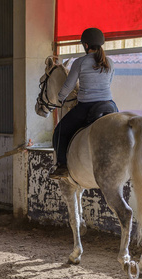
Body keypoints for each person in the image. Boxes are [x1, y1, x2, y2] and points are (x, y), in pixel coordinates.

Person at [51, 28, 118, 179]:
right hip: (110, 104)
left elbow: (69, 85)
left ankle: (62, 166)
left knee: (59, 132)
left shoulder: (80, 62)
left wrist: (61, 97)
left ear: (86, 45)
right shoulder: (110, 62)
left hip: (87, 106)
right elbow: (109, 82)